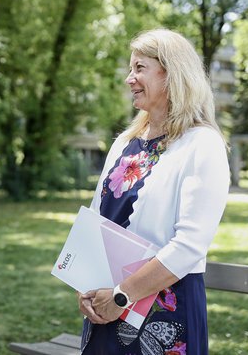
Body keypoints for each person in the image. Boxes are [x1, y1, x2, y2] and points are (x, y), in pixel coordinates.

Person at [77, 28, 229, 354]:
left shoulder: (202, 144)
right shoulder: (123, 143)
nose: (129, 78)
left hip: (165, 311)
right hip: (105, 307)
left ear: (171, 73)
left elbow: (189, 246)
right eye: (130, 69)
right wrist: (86, 288)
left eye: (139, 68)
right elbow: (93, 222)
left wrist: (122, 295)